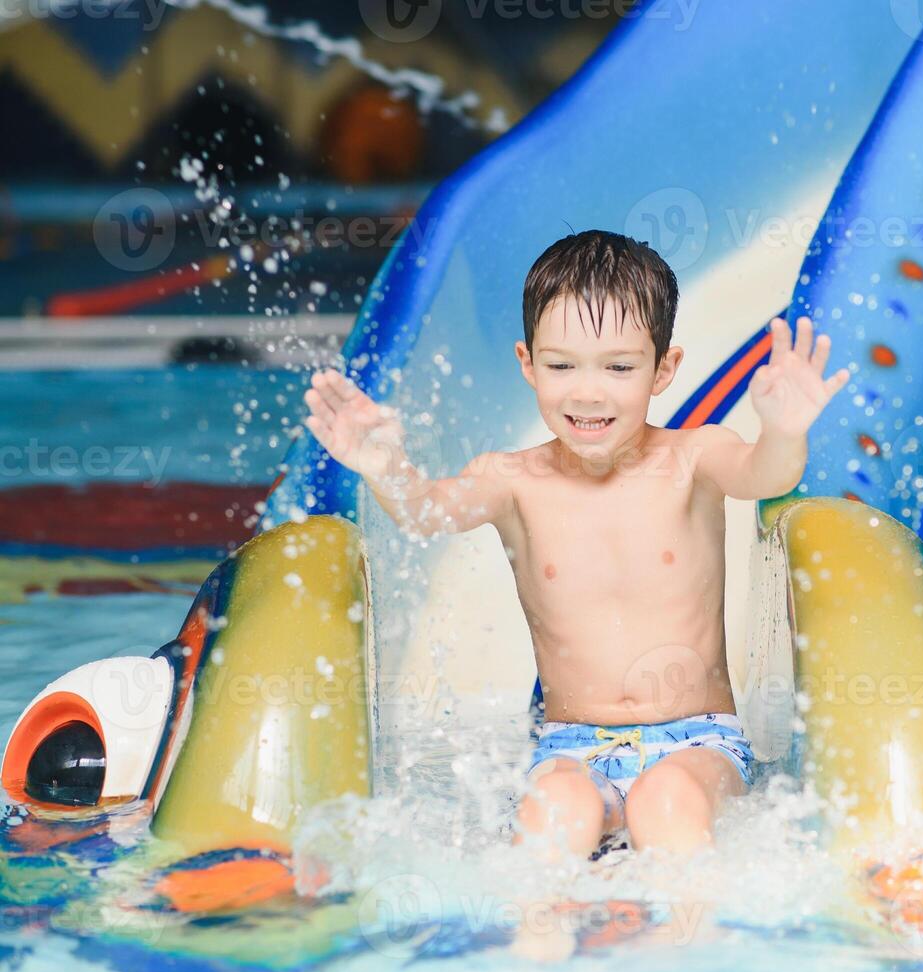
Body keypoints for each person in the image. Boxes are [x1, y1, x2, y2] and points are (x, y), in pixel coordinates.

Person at [303, 230, 849, 861]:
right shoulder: (511, 480)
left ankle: (682, 950)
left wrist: (783, 430)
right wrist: (383, 466)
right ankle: (542, 949)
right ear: (527, 363)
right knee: (556, 810)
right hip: (568, 746)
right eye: (561, 366)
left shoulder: (694, 458)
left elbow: (766, 475)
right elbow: (427, 512)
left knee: (665, 802)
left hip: (699, 743)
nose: (588, 392)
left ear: (664, 369)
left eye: (619, 367)